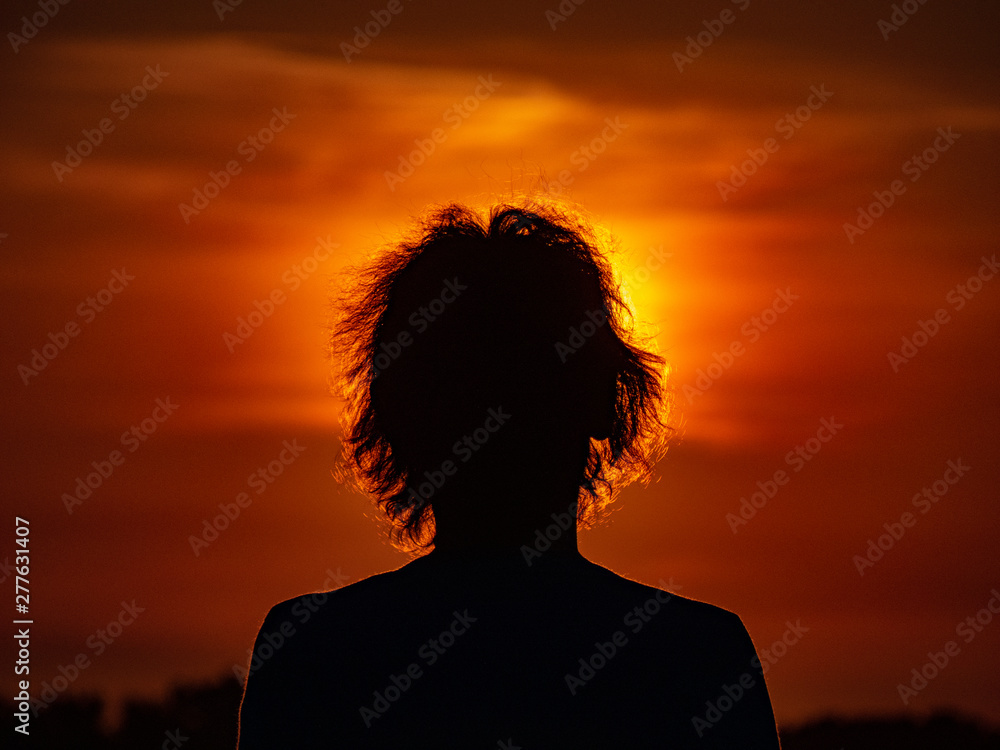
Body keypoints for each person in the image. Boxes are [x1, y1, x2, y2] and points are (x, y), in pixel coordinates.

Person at [237, 202, 782, 748]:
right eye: (469, 381)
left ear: (393, 413)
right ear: (604, 399)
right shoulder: (693, 659)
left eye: (527, 377)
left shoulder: (317, 652)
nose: (501, 416)